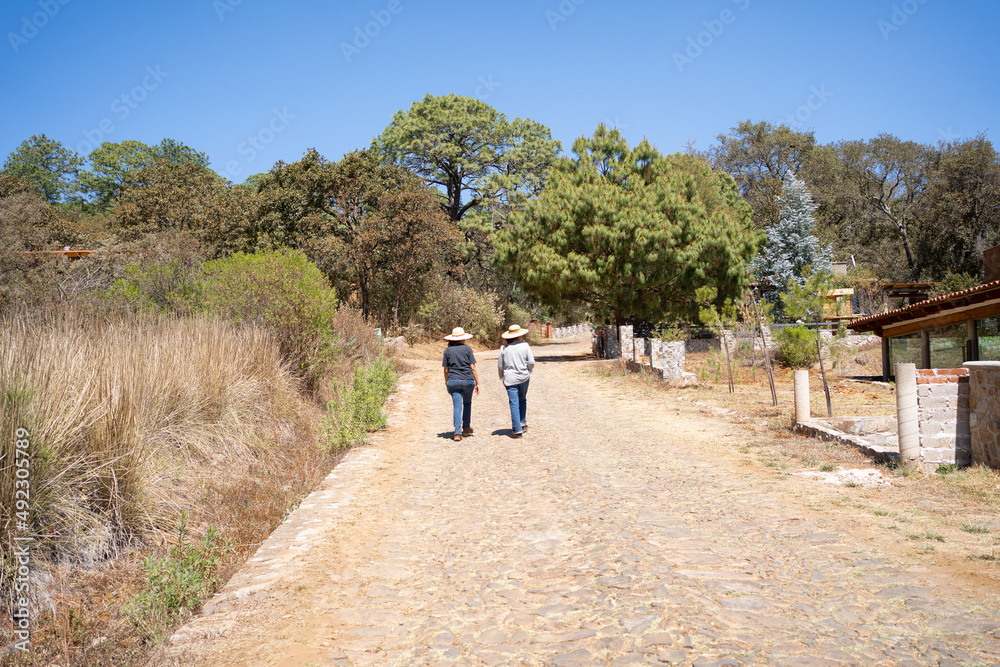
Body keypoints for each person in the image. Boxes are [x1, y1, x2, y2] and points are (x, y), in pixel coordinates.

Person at [442, 327, 480, 442]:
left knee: (457, 406)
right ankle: (466, 428)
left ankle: (457, 433)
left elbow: (446, 370)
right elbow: (472, 367)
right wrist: (477, 382)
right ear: (463, 338)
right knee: (467, 403)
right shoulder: (468, 349)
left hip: (453, 381)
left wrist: (447, 382)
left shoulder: (447, 351)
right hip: (468, 381)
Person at [498, 324, 535, 438]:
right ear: (519, 336)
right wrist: (529, 370)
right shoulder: (525, 345)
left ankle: (517, 430)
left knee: (514, 403)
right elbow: (531, 362)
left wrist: (502, 377)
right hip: (524, 377)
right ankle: (522, 423)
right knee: (522, 399)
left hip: (510, 378)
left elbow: (500, 365)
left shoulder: (504, 348)